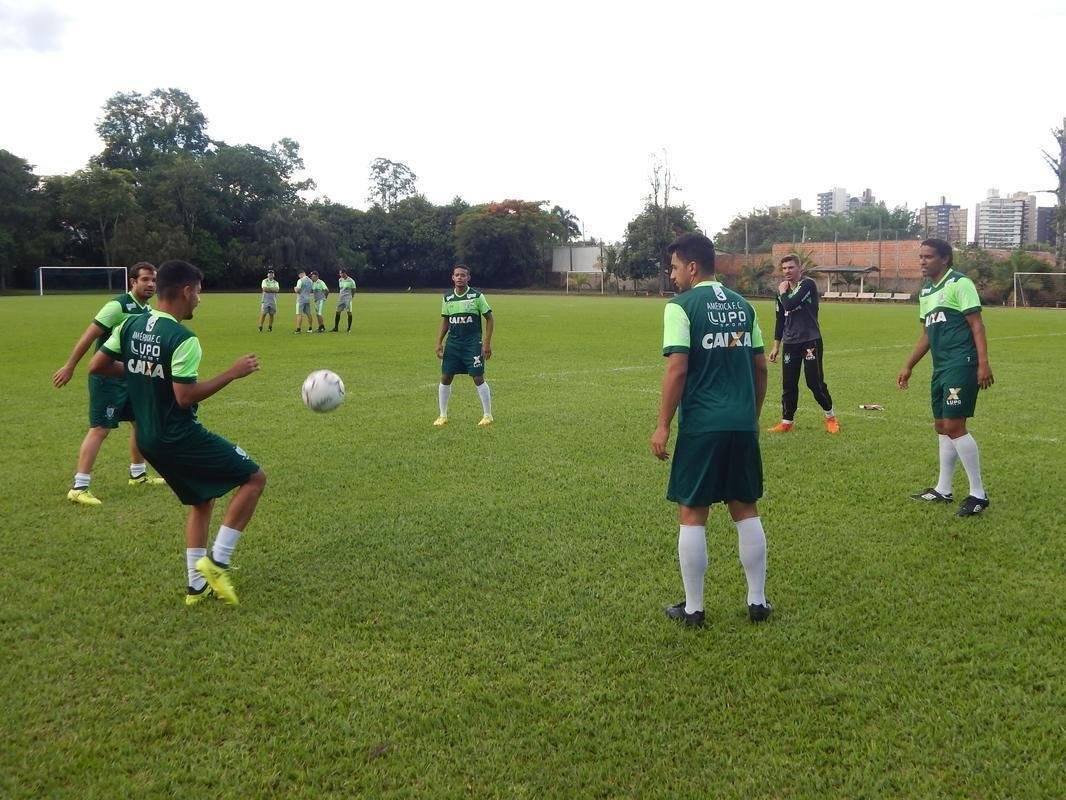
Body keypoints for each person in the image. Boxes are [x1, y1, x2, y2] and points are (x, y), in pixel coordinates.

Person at [89, 259, 266, 606]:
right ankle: (217, 563)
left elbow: (98, 365)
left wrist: (142, 370)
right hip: (178, 435)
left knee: (202, 500)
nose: (200, 299)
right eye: (199, 292)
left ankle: (195, 586)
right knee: (255, 478)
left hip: (148, 440)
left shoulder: (132, 324)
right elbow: (184, 397)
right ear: (186, 291)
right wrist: (231, 373)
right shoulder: (184, 338)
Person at [650, 233, 772, 627]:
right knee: (744, 507)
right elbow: (760, 367)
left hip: (702, 425)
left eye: (673, 267)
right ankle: (757, 602)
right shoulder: (743, 307)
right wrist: (750, 415)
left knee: (692, 512)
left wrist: (663, 425)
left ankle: (694, 608)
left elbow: (677, 367)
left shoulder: (680, 307)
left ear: (691, 266)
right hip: (740, 423)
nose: (671, 275)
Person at [52, 262, 167, 506]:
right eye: (145, 279)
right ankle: (79, 487)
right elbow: (89, 335)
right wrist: (70, 366)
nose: (151, 285)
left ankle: (138, 475)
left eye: (154, 280)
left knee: (140, 423)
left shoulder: (146, 310)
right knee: (100, 429)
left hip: (131, 377)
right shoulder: (117, 306)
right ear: (132, 282)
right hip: (106, 379)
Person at [897, 238, 993, 517]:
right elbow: (927, 335)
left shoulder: (959, 284)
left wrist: (983, 363)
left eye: (928, 257)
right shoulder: (926, 290)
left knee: (954, 424)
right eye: (921, 257)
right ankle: (944, 488)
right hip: (941, 367)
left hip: (961, 363)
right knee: (941, 426)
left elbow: (977, 325)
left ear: (945, 259)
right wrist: (909, 365)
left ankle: (978, 493)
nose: (922, 261)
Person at [767, 255, 839, 434]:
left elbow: (790, 304)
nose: (787, 271)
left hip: (810, 340)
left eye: (791, 267)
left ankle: (830, 417)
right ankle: (786, 421)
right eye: (784, 268)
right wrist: (776, 346)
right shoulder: (781, 293)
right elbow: (779, 321)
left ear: (800, 269)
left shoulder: (807, 285)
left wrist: (783, 292)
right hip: (790, 343)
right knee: (788, 383)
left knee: (814, 382)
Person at [433, 265, 494, 427]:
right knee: (446, 376)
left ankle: (488, 415)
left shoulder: (476, 296)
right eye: (457, 275)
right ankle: (442, 415)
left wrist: (486, 343)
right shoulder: (447, 298)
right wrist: (439, 342)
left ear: (468, 278)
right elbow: (445, 321)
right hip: (453, 343)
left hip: (472, 343)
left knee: (478, 377)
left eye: (463, 275)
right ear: (452, 277)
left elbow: (489, 318)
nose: (459, 278)